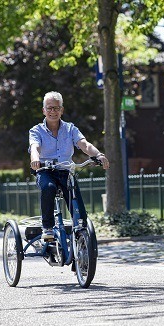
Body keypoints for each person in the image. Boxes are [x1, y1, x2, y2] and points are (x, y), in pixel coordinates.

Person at [29, 91, 109, 241]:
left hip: (65, 172)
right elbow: (35, 147)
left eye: (56, 108)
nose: (53, 111)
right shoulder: (36, 130)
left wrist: (98, 155)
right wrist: (35, 159)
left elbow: (84, 144)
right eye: (49, 108)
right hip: (45, 171)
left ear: (62, 110)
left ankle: (81, 235)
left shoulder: (70, 129)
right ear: (44, 110)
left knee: (75, 201)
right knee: (49, 188)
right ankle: (47, 227)